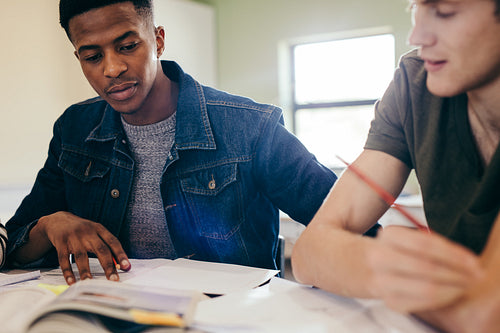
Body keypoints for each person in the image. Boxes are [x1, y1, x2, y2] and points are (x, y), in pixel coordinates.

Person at [5, 0, 336, 286]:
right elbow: (14, 247)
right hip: (111, 315)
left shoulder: (252, 127)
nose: (112, 69)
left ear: (158, 40)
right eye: (92, 56)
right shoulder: (74, 130)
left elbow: (346, 225)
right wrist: (49, 225)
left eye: (127, 46)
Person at [292, 0, 500, 332]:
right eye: (415, 9)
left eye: (445, 11)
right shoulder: (416, 83)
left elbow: (487, 314)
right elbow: (308, 253)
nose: (416, 35)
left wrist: (349, 265)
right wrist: (378, 266)